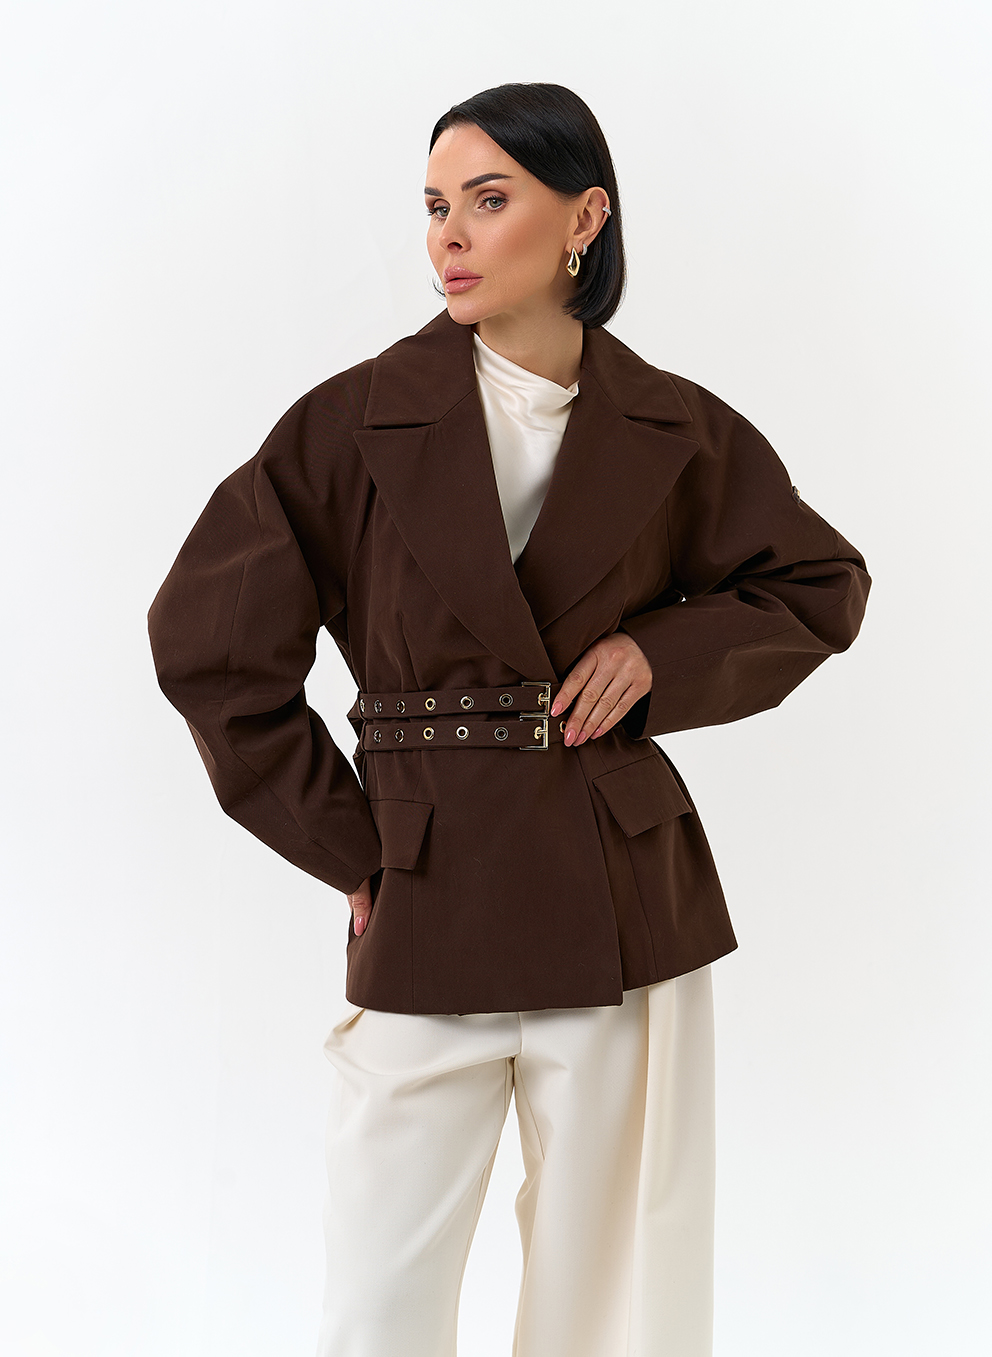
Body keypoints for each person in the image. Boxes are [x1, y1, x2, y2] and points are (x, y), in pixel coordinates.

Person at [147, 82, 870, 1357]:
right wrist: (352, 848)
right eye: (435, 205)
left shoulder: (674, 425)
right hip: (426, 889)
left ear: (584, 218)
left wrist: (655, 653)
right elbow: (209, 643)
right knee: (379, 1303)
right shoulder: (350, 425)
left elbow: (816, 584)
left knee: (611, 1300)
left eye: (489, 200)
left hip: (619, 900)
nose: (450, 236)